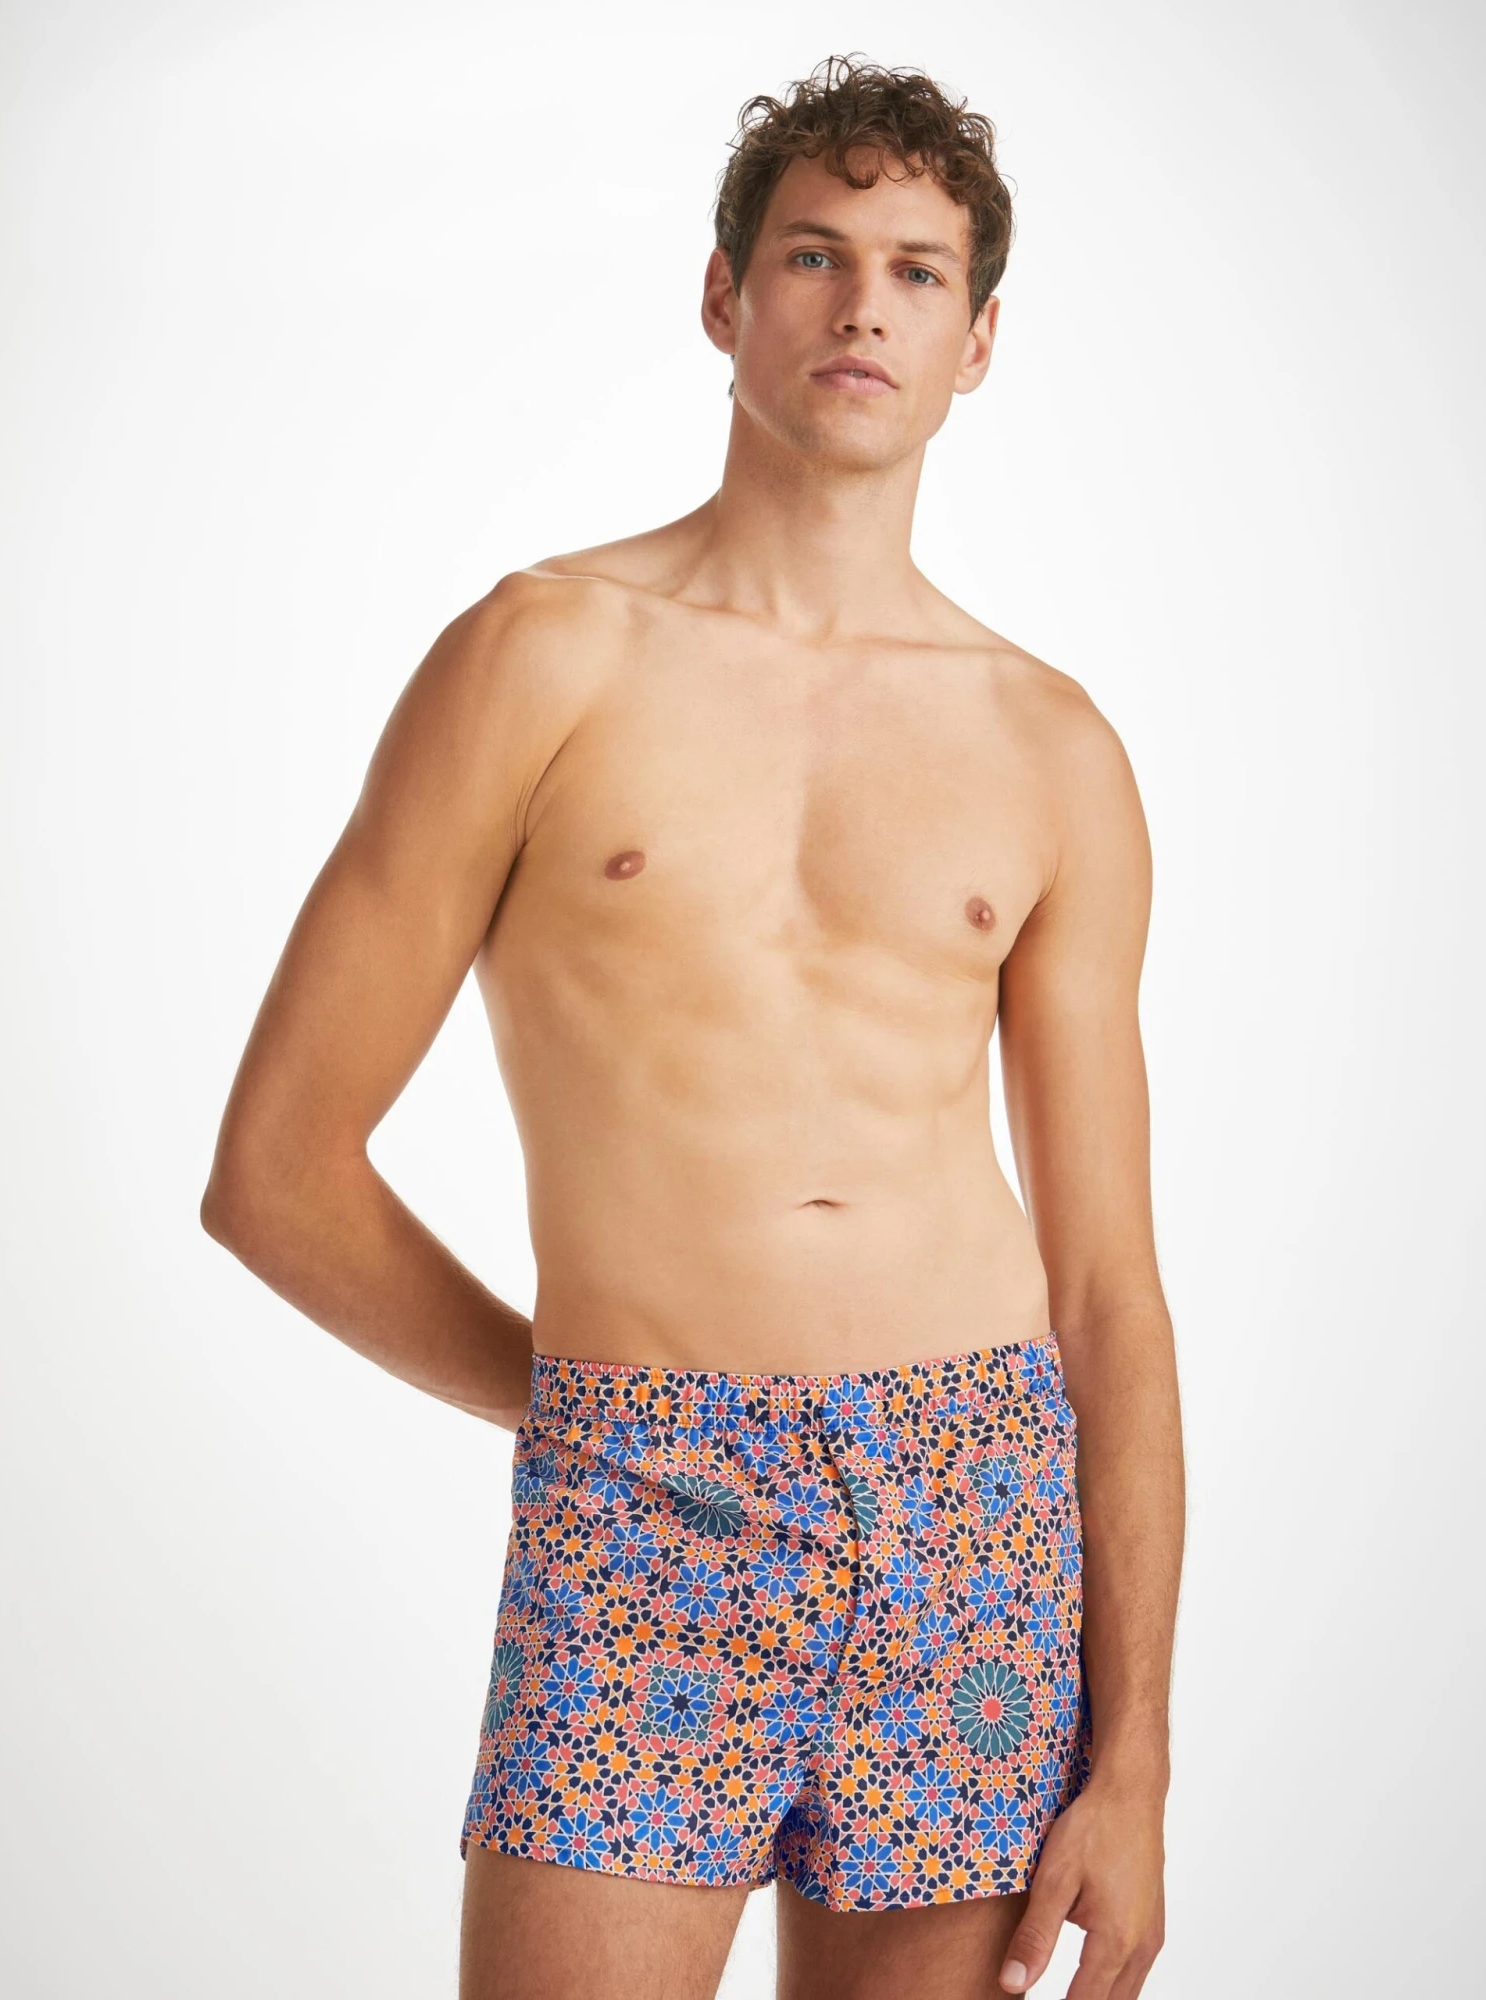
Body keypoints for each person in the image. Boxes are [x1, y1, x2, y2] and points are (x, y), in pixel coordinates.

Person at [201, 53, 1184, 2000]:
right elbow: (277, 1172)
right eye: (815, 255)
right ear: (724, 297)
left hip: (974, 1502)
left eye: (916, 272)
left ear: (979, 343)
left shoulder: (1051, 747)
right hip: (642, 1499)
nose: (863, 306)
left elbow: (1109, 1295)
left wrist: (1137, 1752)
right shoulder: (542, 656)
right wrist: (578, 1400)